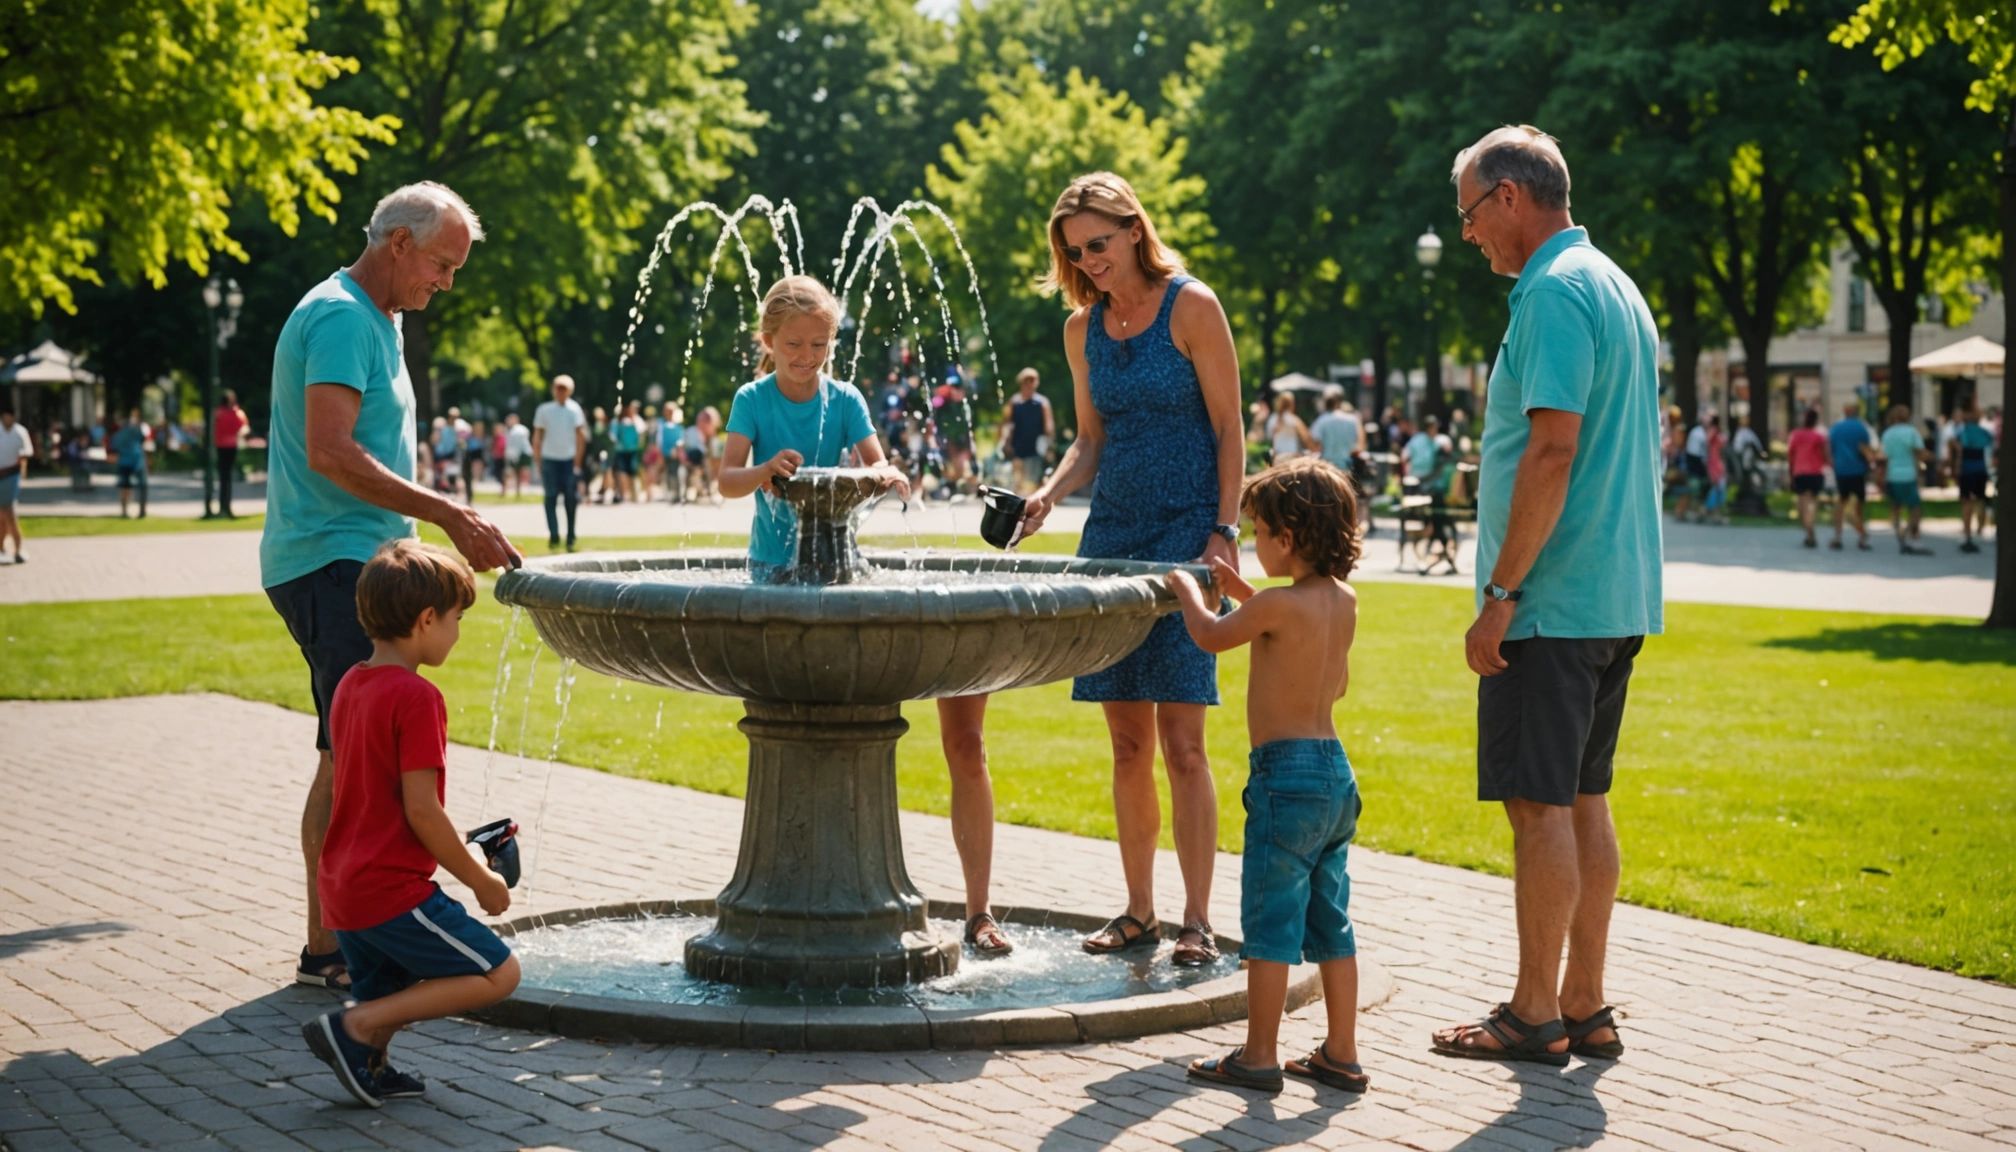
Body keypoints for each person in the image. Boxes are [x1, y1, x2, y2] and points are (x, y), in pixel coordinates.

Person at [1432, 125, 1660, 1066]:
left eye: (1470, 214)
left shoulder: (1554, 292)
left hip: (1552, 602)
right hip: (1613, 594)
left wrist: (1500, 593)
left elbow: (1554, 448)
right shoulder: (1613, 283)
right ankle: (1584, 1003)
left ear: (1511, 197)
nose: (1468, 234)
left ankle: (1533, 1013)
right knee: (1583, 797)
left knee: (1539, 807)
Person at [262, 181, 520, 993]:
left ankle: (343, 942)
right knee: (350, 762)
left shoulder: (381, 318)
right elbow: (331, 451)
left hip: (354, 559)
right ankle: (331, 950)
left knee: (347, 755)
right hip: (330, 561)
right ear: (398, 243)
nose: (447, 282)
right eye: (442, 264)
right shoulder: (342, 317)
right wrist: (446, 513)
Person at [1018, 171, 1246, 967]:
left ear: (1133, 229)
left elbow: (1230, 428)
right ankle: (1139, 912)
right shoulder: (1081, 329)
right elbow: (1089, 440)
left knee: (1184, 742)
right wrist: (1045, 497)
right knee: (1125, 744)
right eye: (1075, 253)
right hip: (1112, 540)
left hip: (1187, 538)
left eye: (1099, 244)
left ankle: (1197, 920)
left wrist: (1224, 531)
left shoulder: (1193, 306)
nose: (1089, 261)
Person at [1168, 458, 1369, 1096]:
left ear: (1290, 536)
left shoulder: (1278, 605)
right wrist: (1246, 592)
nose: (1254, 543)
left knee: (1271, 920)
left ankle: (1259, 1056)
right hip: (1334, 773)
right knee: (1331, 919)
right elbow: (1325, 668)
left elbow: (1209, 635)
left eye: (1259, 532)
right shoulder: (1342, 601)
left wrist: (1186, 588)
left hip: (1285, 779)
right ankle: (1341, 1053)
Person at [303, 539, 520, 1109]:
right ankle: (353, 1027)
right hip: (390, 889)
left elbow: (380, 797)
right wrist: (481, 879)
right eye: (457, 619)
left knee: (391, 983)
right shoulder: (417, 696)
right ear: (426, 620)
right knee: (499, 974)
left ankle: (369, 1062)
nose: (458, 632)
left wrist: (462, 844)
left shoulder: (351, 683)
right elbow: (422, 809)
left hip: (344, 885)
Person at [718, 275, 909, 573]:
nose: (807, 355)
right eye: (794, 344)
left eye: (819, 344)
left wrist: (886, 474)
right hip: (770, 563)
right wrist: (765, 470)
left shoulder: (846, 399)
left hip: (835, 560)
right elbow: (727, 482)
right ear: (769, 341)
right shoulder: (751, 399)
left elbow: (877, 465)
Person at [532, 374, 587, 551]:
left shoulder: (574, 410)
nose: (560, 392)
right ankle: (554, 534)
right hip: (550, 458)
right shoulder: (544, 410)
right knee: (550, 497)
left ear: (569, 391)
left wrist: (577, 462)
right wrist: (538, 460)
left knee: (571, 499)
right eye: (558, 388)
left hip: (568, 460)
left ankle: (571, 535)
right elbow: (538, 437)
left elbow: (580, 437)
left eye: (564, 389)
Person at [1311, 394, 1373, 537]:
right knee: (1346, 501)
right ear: (1339, 403)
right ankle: (1347, 531)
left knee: (1327, 503)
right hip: (1346, 467)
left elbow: (1315, 445)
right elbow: (1360, 445)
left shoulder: (1321, 421)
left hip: (1327, 468)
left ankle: (1329, 532)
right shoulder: (1352, 420)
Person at [1880, 403, 1932, 555]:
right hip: (1908, 474)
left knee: (1896, 507)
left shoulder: (1888, 434)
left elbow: (1884, 456)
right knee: (1915, 507)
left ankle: (1899, 536)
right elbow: (1920, 452)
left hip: (1892, 474)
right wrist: (1930, 457)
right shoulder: (1911, 432)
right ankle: (1908, 533)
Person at [1828, 399, 1878, 550]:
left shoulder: (1836, 428)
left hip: (1841, 469)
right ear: (1857, 411)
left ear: (1844, 411)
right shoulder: (1862, 428)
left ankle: (1837, 536)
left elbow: (1830, 448)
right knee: (1859, 505)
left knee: (1841, 503)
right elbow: (1866, 449)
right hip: (1858, 470)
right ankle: (1862, 537)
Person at [1000, 367, 1056, 494]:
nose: (1029, 384)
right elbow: (1008, 424)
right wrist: (1006, 442)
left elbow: (1049, 426)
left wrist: (1049, 446)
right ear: (1021, 382)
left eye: (1032, 381)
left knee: (1031, 482)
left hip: (1035, 448)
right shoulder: (1014, 402)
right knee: (1017, 481)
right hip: (1017, 446)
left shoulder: (1042, 403)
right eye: (1026, 381)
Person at [1951, 399, 1994, 554]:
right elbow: (1990, 446)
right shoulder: (1984, 432)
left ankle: (1967, 532)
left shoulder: (1963, 432)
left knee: (1966, 502)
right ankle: (1980, 528)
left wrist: (1956, 467)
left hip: (1967, 470)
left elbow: (1960, 450)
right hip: (1981, 469)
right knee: (1980, 499)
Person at [1786, 407, 1829, 548]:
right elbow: (1825, 455)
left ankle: (1809, 530)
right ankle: (1810, 528)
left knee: (1802, 502)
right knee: (1812, 503)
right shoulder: (1819, 436)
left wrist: (1790, 474)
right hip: (1816, 472)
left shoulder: (1795, 435)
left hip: (1800, 472)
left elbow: (1790, 456)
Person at [0, 408, 31, 563]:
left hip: (11, 475)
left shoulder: (20, 432)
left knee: (9, 512)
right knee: (2, 515)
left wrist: (22, 476)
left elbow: (25, 455)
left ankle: (17, 550)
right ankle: (1, 548)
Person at [214, 390, 250, 518]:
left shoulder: (218, 413)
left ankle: (222, 506)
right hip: (231, 446)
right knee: (227, 477)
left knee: (223, 477)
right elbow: (245, 428)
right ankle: (226, 507)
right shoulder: (237, 413)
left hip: (220, 446)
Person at [111, 409, 149, 519]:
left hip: (124, 462)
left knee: (124, 487)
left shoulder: (118, 435)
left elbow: (114, 448)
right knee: (142, 486)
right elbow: (144, 439)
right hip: (137, 462)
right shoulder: (137, 431)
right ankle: (142, 511)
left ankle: (124, 512)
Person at [1263, 393, 1316, 463]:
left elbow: (1269, 437)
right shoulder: (1294, 420)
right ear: (1291, 404)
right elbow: (1306, 438)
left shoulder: (1272, 419)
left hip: (1278, 457)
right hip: (1291, 457)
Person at [611, 400, 642, 504]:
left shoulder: (621, 421)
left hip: (626, 450)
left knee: (625, 472)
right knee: (627, 472)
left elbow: (613, 437)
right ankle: (628, 494)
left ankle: (627, 494)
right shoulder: (622, 421)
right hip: (629, 450)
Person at [1702, 413, 1728, 524]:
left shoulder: (1716, 432)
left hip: (1717, 462)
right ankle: (1709, 512)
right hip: (1715, 462)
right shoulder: (1714, 432)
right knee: (1717, 488)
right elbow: (1708, 441)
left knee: (1719, 489)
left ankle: (1713, 513)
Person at [503, 412, 531, 498]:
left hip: (519, 453)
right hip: (520, 453)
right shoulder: (518, 429)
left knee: (515, 472)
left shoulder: (517, 430)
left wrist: (513, 456)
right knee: (517, 472)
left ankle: (510, 490)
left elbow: (517, 445)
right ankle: (516, 491)